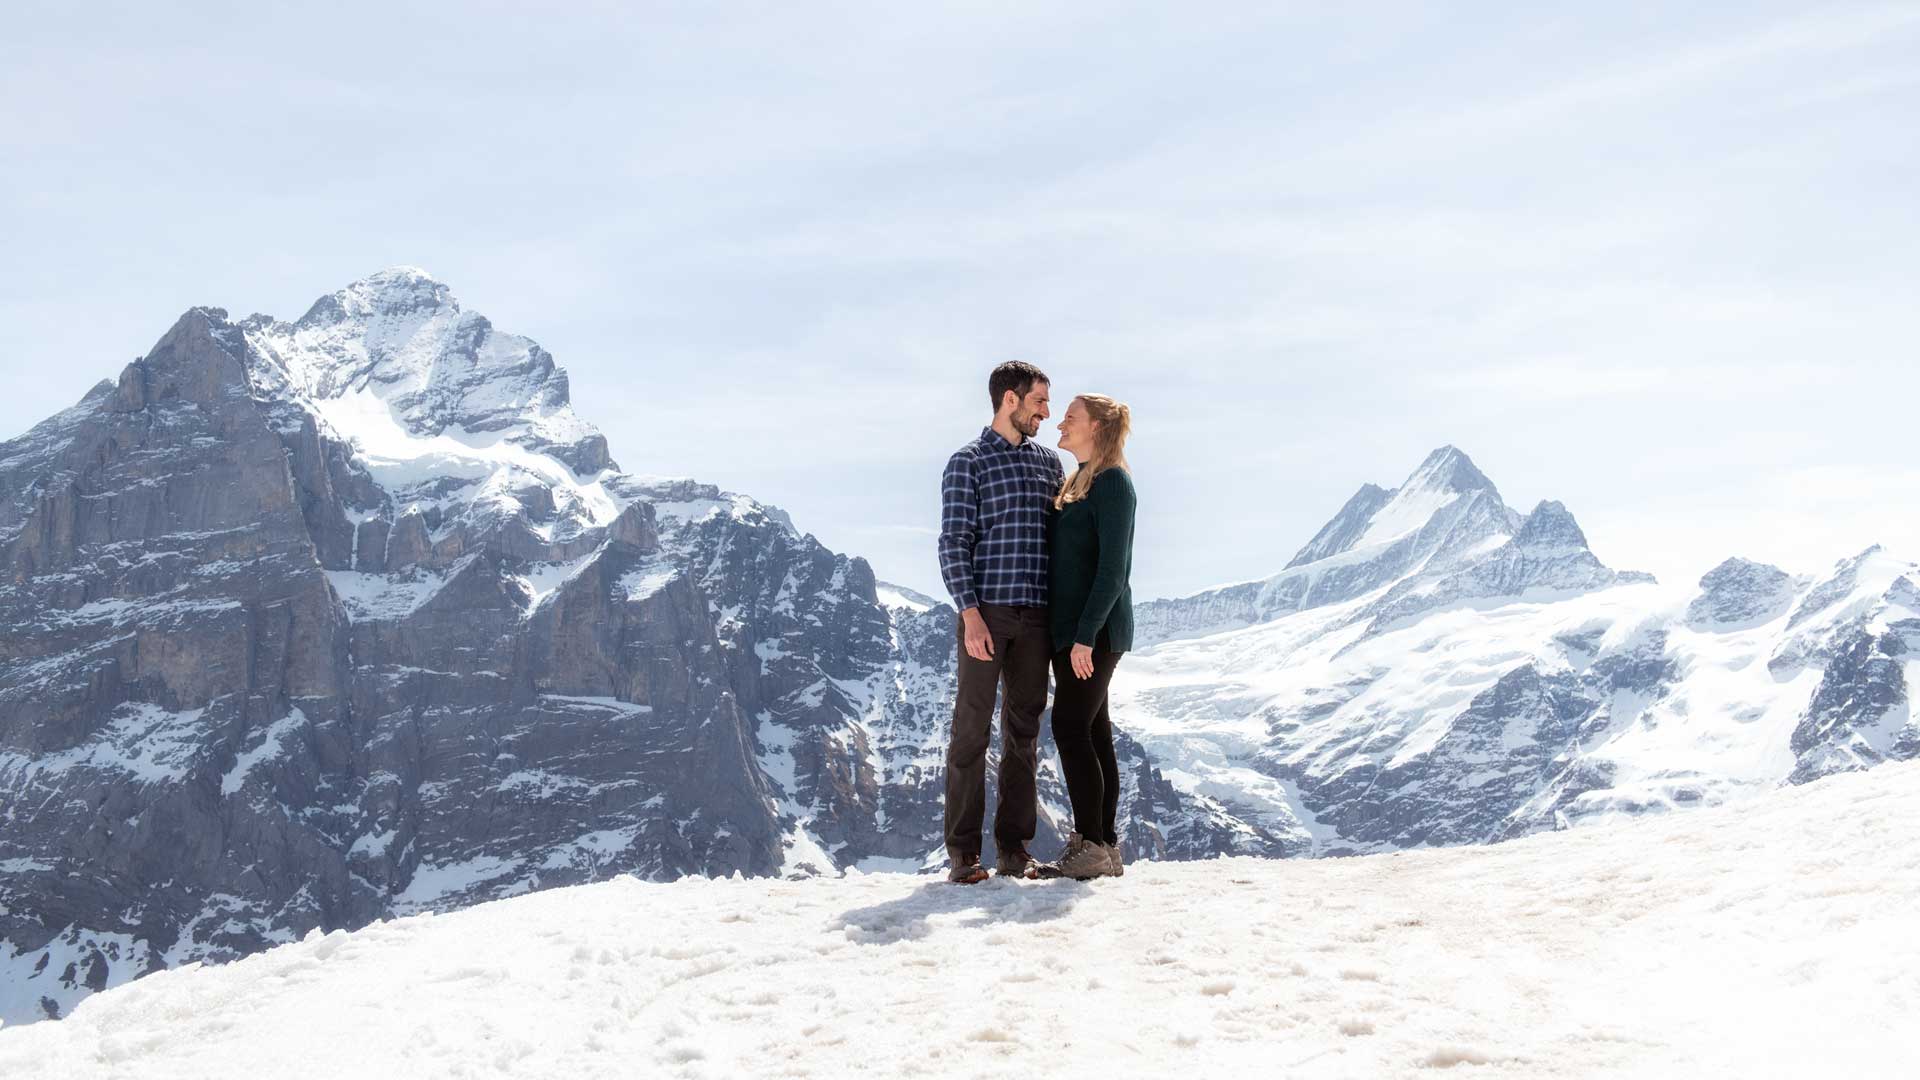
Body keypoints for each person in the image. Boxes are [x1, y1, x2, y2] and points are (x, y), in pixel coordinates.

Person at [937, 362, 1065, 884]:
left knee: (1024, 733)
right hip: (985, 614)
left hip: (1036, 616)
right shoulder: (967, 463)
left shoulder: (1049, 464)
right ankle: (963, 855)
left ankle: (1015, 849)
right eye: (1039, 401)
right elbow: (953, 542)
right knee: (970, 731)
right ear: (1009, 400)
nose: (1046, 412)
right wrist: (969, 614)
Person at [1039, 394, 1135, 881]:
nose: (1061, 423)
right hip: (1075, 631)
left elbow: (1113, 570)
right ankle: (1104, 844)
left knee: (1071, 729)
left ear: (1096, 428)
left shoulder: (1114, 483)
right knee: (1094, 732)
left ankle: (1091, 843)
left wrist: (1085, 636)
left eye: (1070, 418)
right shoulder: (1079, 481)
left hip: (1092, 633)